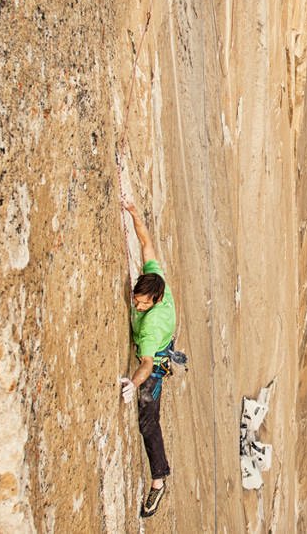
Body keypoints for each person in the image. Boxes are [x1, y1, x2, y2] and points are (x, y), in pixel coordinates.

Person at [118, 199, 176, 518]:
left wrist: (132, 384)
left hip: (157, 356)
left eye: (142, 304)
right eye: (135, 302)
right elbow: (146, 243)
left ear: (155, 301)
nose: (137, 307)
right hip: (161, 344)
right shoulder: (154, 277)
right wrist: (135, 214)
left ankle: (158, 481)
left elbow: (146, 364)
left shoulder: (151, 326)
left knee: (147, 419)